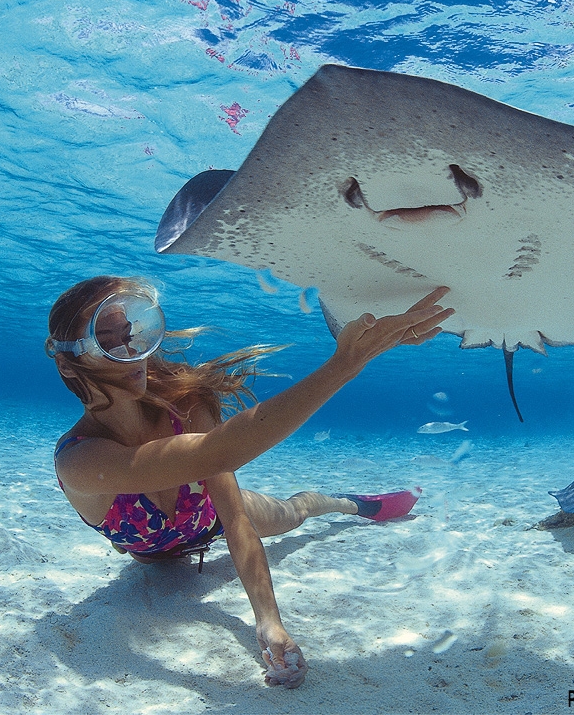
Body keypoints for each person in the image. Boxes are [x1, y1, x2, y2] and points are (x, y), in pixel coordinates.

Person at [45, 276, 453, 689]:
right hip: (148, 551)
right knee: (165, 556)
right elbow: (220, 451)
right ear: (67, 361)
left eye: (132, 333)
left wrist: (269, 623)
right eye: (107, 340)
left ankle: (349, 504)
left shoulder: (185, 405)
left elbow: (235, 517)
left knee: (293, 514)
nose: (132, 352)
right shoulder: (79, 460)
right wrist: (343, 364)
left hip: (210, 519)